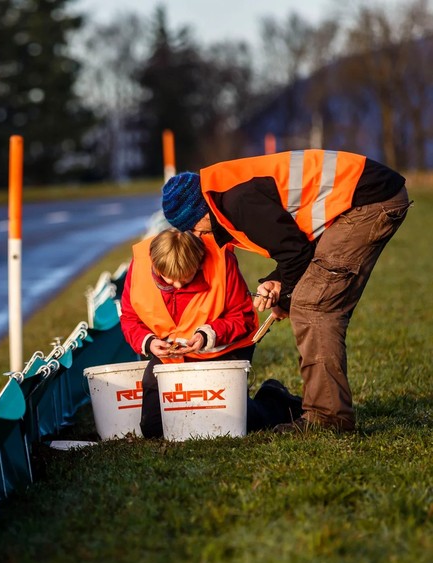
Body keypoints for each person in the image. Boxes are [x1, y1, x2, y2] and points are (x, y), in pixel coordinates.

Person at [160, 150, 412, 432]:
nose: (200, 236)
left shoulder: (238, 202)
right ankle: (327, 411)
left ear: (199, 214)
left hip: (369, 201)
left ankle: (328, 418)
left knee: (313, 305)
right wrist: (276, 283)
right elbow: (296, 243)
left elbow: (297, 254)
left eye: (193, 229)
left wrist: (287, 298)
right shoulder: (225, 193)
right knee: (311, 299)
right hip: (362, 198)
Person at [120, 228, 303, 438]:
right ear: (154, 265)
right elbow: (129, 318)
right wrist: (149, 342)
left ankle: (275, 400)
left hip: (224, 349)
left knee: (232, 424)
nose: (178, 285)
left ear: (198, 262)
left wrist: (207, 335)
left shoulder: (222, 260)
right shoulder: (139, 265)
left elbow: (241, 317)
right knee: (153, 430)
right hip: (170, 357)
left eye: (186, 278)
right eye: (169, 280)